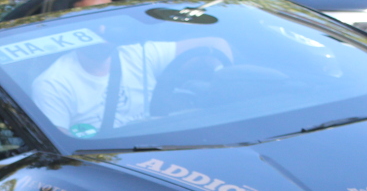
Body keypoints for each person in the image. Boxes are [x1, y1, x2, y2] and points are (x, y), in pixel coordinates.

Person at [31, 12, 229, 137]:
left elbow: (216, 44)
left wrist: (221, 83)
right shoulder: (53, 83)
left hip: (166, 142)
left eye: (105, 26)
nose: (100, 33)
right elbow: (59, 151)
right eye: (91, 28)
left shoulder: (137, 53)